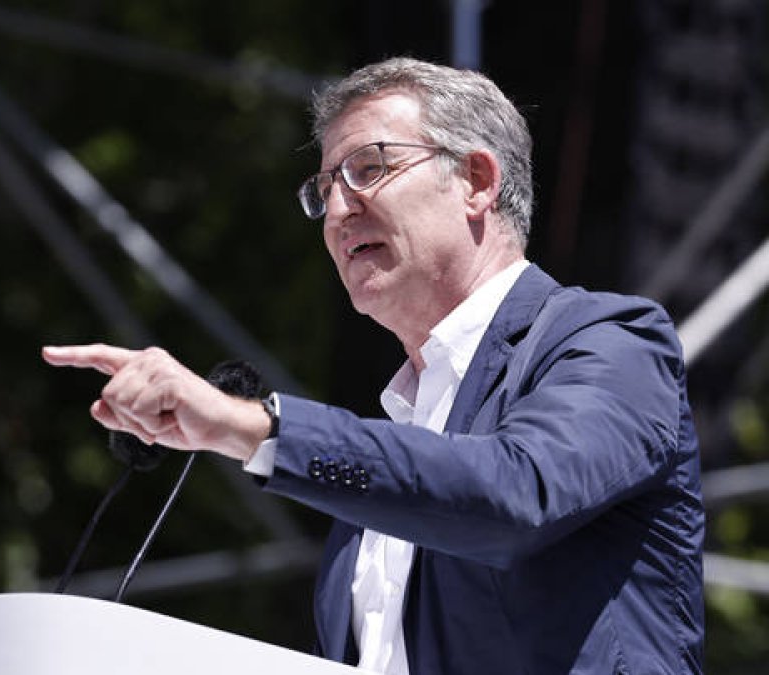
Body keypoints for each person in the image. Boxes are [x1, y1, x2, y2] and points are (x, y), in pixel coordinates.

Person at [42, 57, 704, 674]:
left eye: (368, 167)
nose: (335, 210)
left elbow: (513, 496)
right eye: (325, 186)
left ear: (476, 180)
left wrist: (256, 430)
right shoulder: (396, 436)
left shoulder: (613, 341)